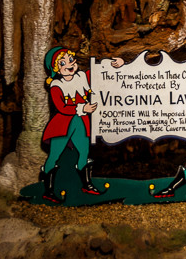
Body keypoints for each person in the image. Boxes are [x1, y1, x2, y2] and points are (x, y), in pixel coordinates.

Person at [40, 46, 123, 202]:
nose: (69, 64)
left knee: (84, 152)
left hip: (81, 123)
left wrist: (115, 64)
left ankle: (86, 185)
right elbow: (61, 107)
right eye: (63, 63)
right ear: (57, 68)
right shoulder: (56, 86)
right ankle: (48, 191)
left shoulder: (82, 77)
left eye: (71, 60)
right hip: (62, 125)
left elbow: (98, 72)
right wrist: (82, 108)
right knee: (54, 155)